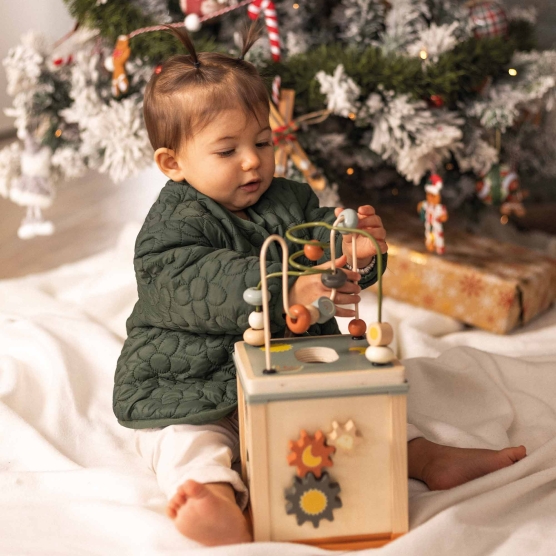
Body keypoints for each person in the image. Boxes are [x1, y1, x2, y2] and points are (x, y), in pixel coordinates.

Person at [113, 24, 527, 547]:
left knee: (359, 411)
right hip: (194, 379)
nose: (252, 160)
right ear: (173, 162)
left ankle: (424, 455)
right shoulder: (172, 223)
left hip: (290, 364)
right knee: (186, 441)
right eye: (227, 151)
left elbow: (322, 235)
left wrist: (354, 247)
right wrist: (285, 289)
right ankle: (215, 501)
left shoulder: (289, 198)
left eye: (262, 141)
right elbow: (191, 283)